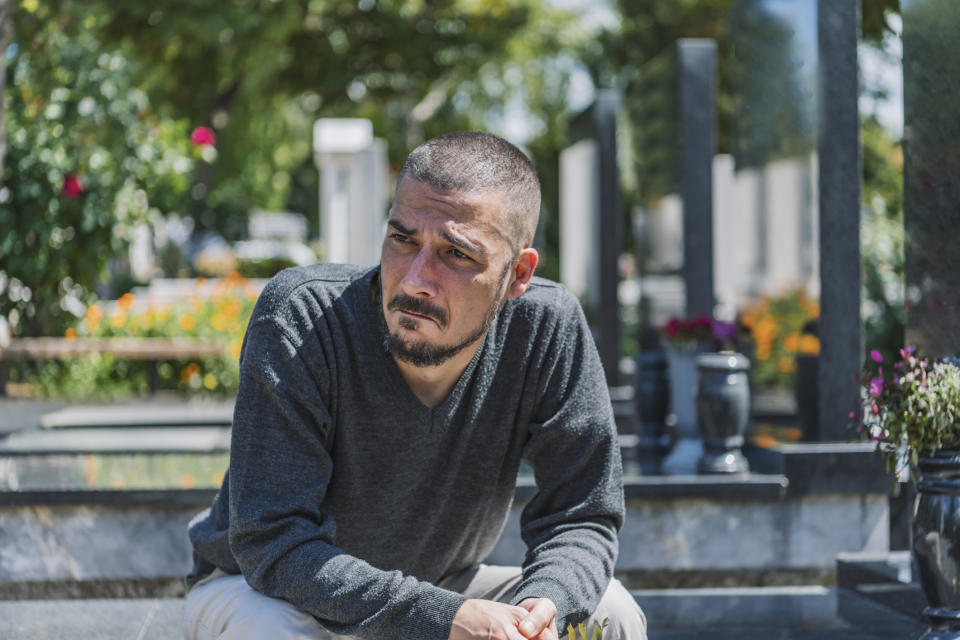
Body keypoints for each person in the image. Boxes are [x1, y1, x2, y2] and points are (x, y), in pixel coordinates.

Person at [182, 131, 648, 640]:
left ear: (518, 274)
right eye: (402, 240)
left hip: (447, 586)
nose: (413, 281)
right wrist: (442, 618)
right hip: (265, 591)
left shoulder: (547, 328)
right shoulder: (303, 316)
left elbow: (582, 515)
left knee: (611, 613)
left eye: (457, 255)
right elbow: (273, 541)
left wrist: (544, 607)